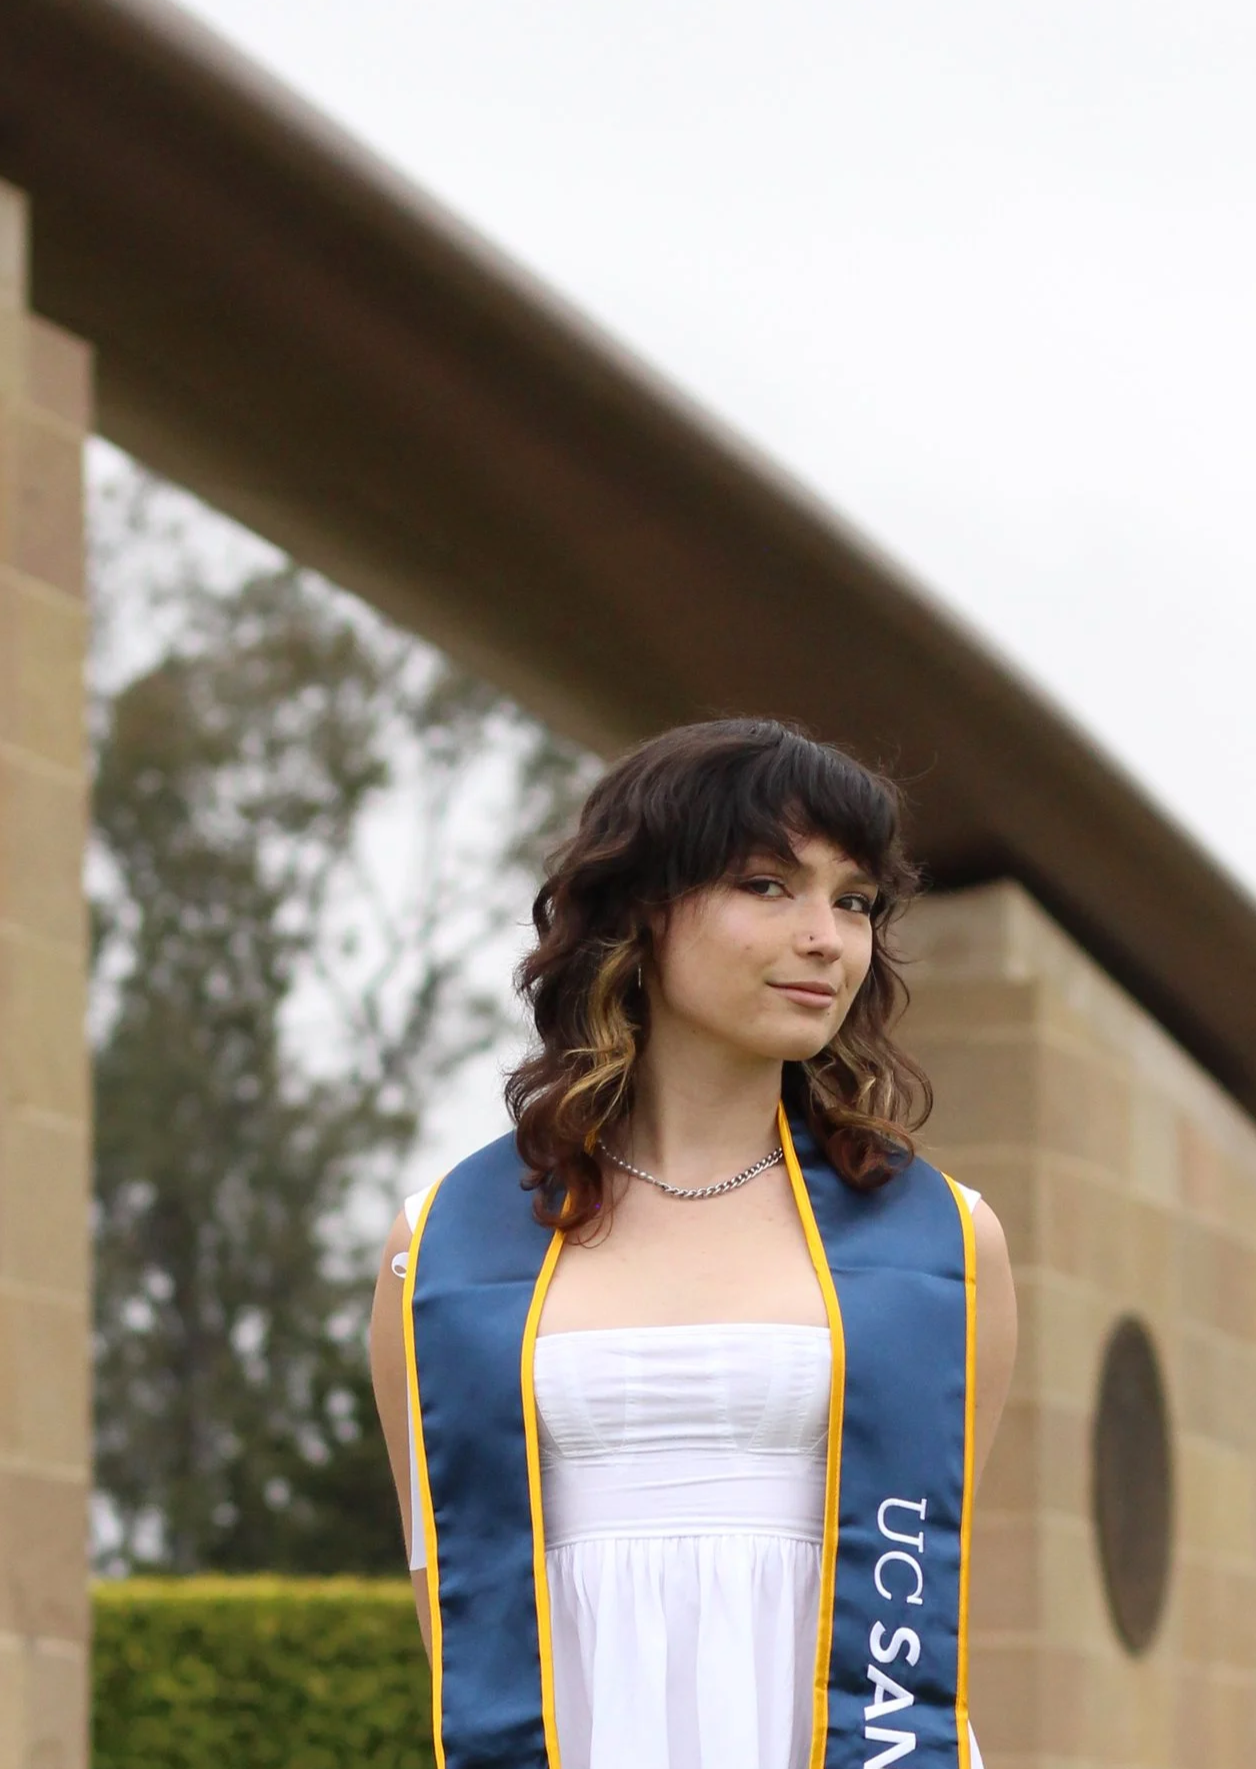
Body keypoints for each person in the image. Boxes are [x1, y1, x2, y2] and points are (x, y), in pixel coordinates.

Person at [369, 718, 1018, 1769]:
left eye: (852, 900)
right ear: (638, 909)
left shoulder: (942, 1243)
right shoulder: (438, 1251)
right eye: (767, 884)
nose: (825, 937)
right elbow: (448, 1599)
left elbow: (918, 1578)